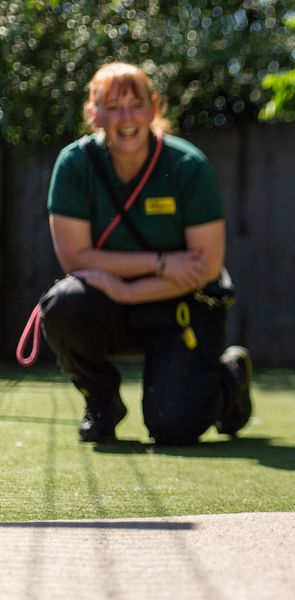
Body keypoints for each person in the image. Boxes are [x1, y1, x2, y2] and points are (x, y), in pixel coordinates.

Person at [38, 62, 252, 445]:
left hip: (181, 304)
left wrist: (129, 288)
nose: (126, 117)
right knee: (62, 302)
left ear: (154, 109)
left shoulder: (187, 165)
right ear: (94, 114)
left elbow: (206, 266)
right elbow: (74, 258)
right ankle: (101, 400)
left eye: (135, 105)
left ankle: (228, 382)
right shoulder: (74, 165)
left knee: (172, 427)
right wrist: (162, 263)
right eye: (113, 106)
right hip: (110, 305)